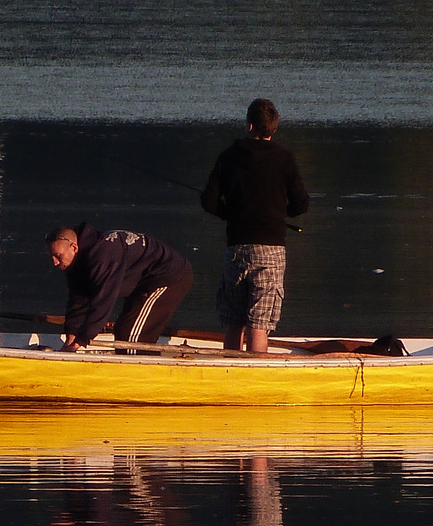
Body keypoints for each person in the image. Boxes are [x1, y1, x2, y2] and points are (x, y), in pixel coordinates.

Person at [201, 98, 309, 353]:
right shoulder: (285, 159)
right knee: (259, 324)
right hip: (271, 248)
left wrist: (228, 214)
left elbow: (208, 201)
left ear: (250, 126)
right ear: (273, 128)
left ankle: (229, 374)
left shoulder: (228, 156)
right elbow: (302, 204)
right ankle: (254, 375)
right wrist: (282, 214)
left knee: (234, 321)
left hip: (236, 247)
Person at [46, 223, 193, 352]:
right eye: (52, 256)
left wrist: (82, 339)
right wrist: (71, 335)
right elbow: (79, 298)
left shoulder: (102, 255)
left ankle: (140, 376)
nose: (54, 262)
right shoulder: (76, 263)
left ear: (74, 247)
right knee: (123, 331)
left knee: (131, 338)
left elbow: (103, 300)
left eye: (58, 256)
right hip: (142, 283)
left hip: (169, 276)